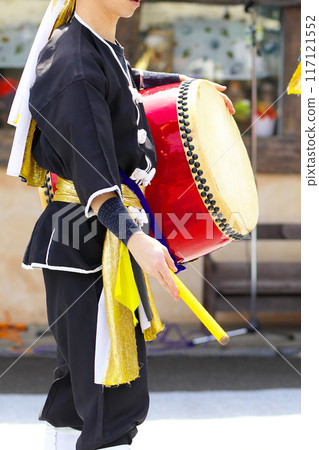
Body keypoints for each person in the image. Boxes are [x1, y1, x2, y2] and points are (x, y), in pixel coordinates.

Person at [7, 1, 235, 448]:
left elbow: (126, 86)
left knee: (85, 388)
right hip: (88, 234)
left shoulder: (99, 46)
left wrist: (191, 88)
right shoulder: (72, 61)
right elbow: (94, 176)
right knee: (110, 394)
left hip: (101, 234)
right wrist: (138, 241)